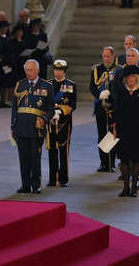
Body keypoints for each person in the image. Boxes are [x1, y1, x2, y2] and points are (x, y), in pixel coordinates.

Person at [12, 59, 54, 194]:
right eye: (27, 70)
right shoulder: (20, 84)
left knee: (35, 158)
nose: (29, 73)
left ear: (37, 70)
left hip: (36, 128)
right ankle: (25, 185)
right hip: (21, 127)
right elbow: (15, 107)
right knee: (23, 158)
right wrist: (13, 125)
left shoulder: (47, 86)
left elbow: (51, 109)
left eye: (31, 70)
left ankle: (36, 185)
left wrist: (44, 119)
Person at [111, 65, 139, 197]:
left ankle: (134, 188)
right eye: (128, 77)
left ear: (137, 78)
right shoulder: (122, 92)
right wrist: (115, 129)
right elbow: (116, 111)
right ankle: (125, 187)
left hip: (138, 129)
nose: (130, 79)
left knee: (137, 158)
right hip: (123, 128)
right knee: (124, 159)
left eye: (133, 77)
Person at [90, 46, 119, 173]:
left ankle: (111, 162)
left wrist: (110, 96)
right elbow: (92, 86)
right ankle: (103, 163)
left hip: (113, 107)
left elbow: (119, 87)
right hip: (100, 106)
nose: (106, 58)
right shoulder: (97, 69)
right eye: (104, 56)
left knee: (112, 134)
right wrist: (99, 95)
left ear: (113, 56)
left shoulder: (119, 69)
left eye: (108, 56)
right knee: (101, 135)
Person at [48, 59, 76, 187]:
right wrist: (51, 113)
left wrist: (61, 112)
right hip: (51, 122)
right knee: (52, 150)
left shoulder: (71, 85)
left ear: (64, 71)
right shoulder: (47, 84)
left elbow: (72, 105)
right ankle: (52, 179)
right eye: (56, 70)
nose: (57, 72)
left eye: (60, 70)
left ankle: (63, 178)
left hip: (65, 122)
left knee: (63, 151)